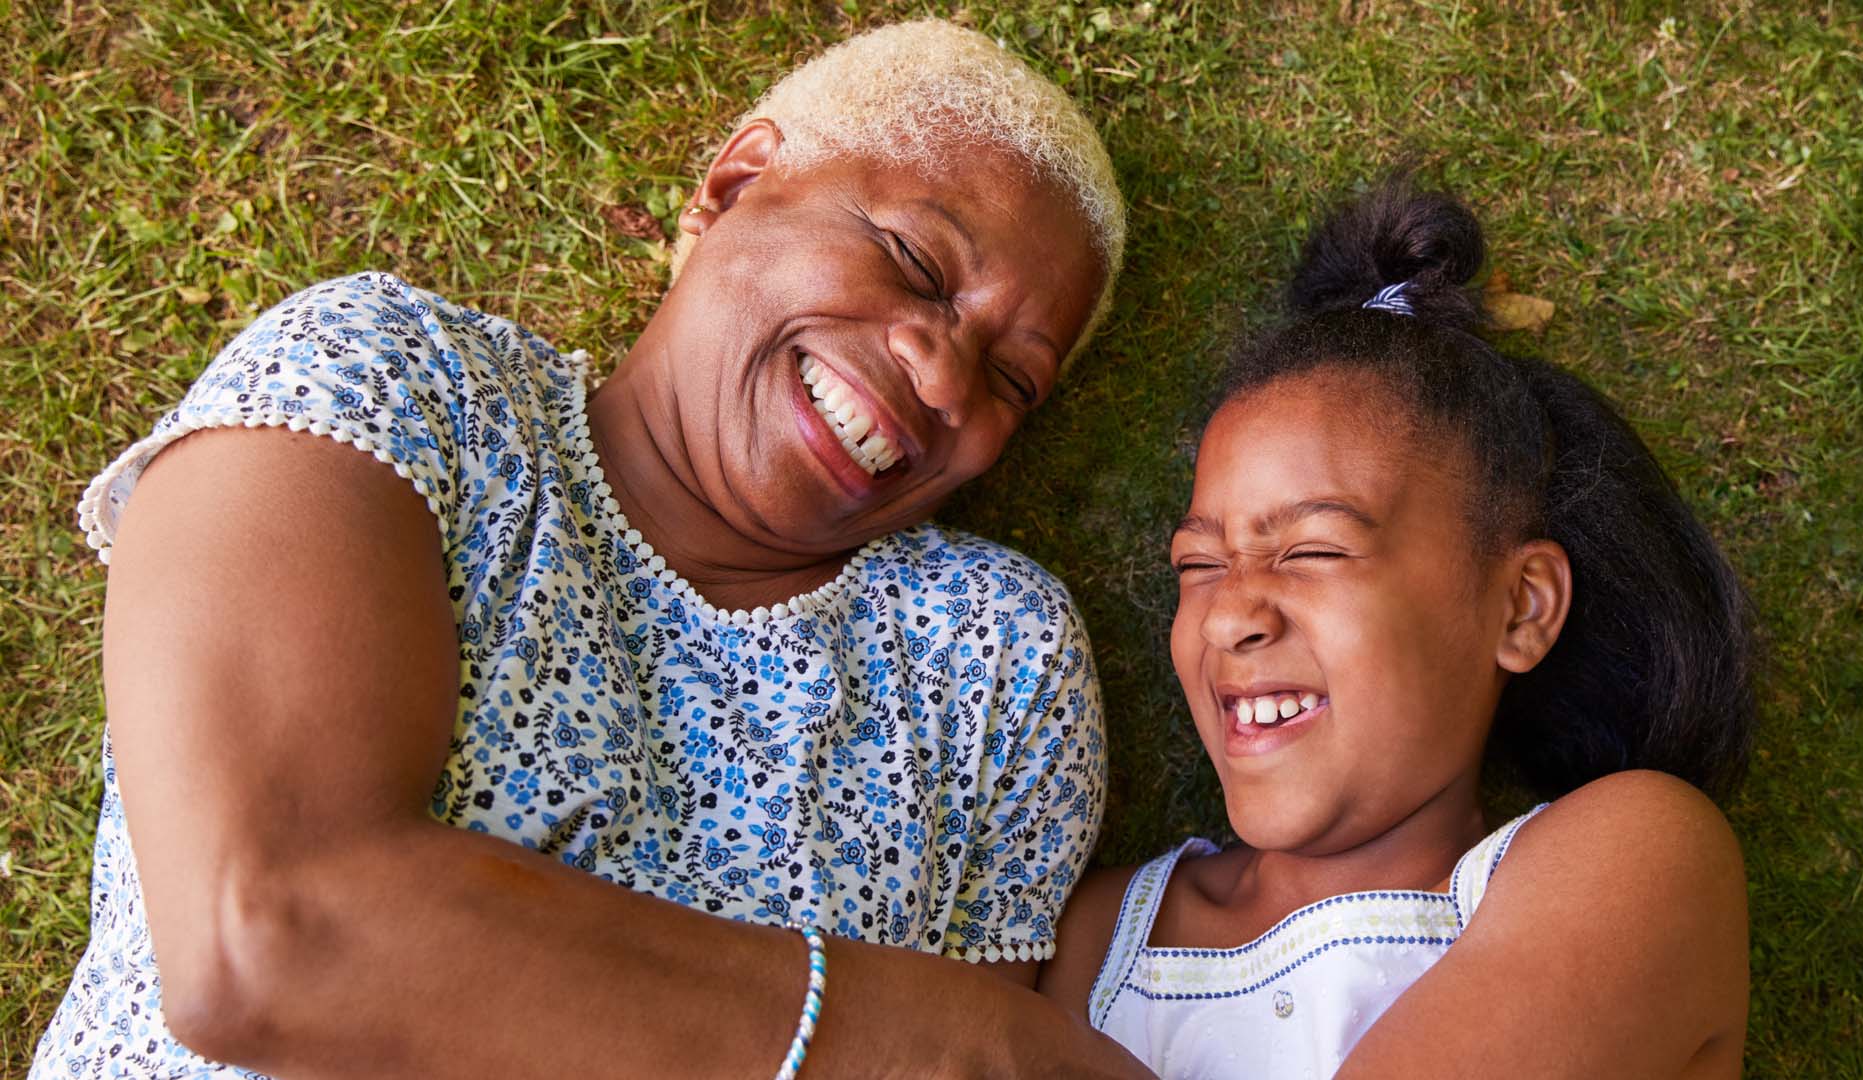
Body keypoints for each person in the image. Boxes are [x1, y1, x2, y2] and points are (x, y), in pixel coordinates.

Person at [35, 20, 1155, 1079]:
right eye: (914, 260)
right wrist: (916, 1036)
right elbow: (271, 933)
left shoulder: (994, 663)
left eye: (1012, 379)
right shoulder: (393, 382)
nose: (945, 376)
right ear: (735, 185)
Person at [1036, 177, 1758, 1078]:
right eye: (1198, 565)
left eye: (1313, 550)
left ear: (1521, 606)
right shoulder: (1095, 937)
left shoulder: (1635, 864)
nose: (1228, 615)